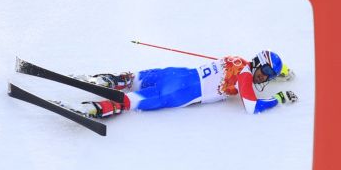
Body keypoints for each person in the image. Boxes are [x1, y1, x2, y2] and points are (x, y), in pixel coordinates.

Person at [68, 50, 298, 118]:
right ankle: (95, 109)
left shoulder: (241, 61)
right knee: (132, 101)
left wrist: (283, 71)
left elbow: (268, 66)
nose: (265, 77)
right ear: (257, 64)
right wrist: (279, 98)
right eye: (265, 72)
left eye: (270, 75)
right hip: (182, 91)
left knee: (132, 79)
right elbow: (252, 107)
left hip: (176, 73)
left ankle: (106, 80)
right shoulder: (246, 78)